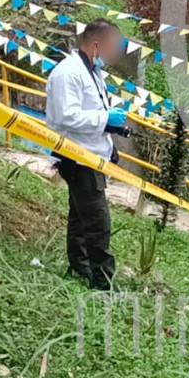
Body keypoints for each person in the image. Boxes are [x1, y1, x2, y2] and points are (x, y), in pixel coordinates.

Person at [46, 18, 128, 291]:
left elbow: (90, 109)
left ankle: (79, 267)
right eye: (113, 46)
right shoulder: (68, 73)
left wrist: (110, 119)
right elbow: (66, 115)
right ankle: (102, 283)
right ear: (97, 45)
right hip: (77, 158)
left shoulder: (92, 70)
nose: (115, 54)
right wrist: (105, 118)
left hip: (93, 155)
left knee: (80, 217)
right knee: (97, 221)